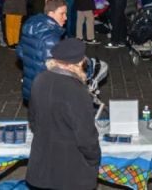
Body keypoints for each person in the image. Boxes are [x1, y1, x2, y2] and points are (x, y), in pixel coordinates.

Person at [27, 39, 100, 190]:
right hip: (70, 172)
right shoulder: (77, 91)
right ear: (79, 64)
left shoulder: (39, 80)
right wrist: (94, 159)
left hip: (42, 166)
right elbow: (86, 137)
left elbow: (33, 120)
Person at [17, 0, 67, 103]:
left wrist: (34, 62)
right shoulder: (51, 37)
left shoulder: (30, 25)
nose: (65, 17)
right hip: (46, 90)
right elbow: (53, 67)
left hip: (31, 84)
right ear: (51, 14)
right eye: (62, 14)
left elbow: (20, 51)